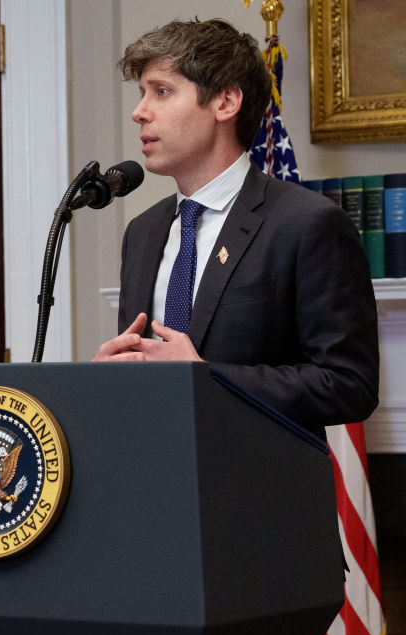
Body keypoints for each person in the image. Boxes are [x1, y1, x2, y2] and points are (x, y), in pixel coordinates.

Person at [92, 18, 379, 439]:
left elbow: (350, 385)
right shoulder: (143, 232)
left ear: (225, 102)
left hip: (256, 492)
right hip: (156, 480)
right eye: (142, 94)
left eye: (162, 91)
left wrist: (208, 379)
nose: (139, 112)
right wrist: (108, 375)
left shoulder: (307, 224)